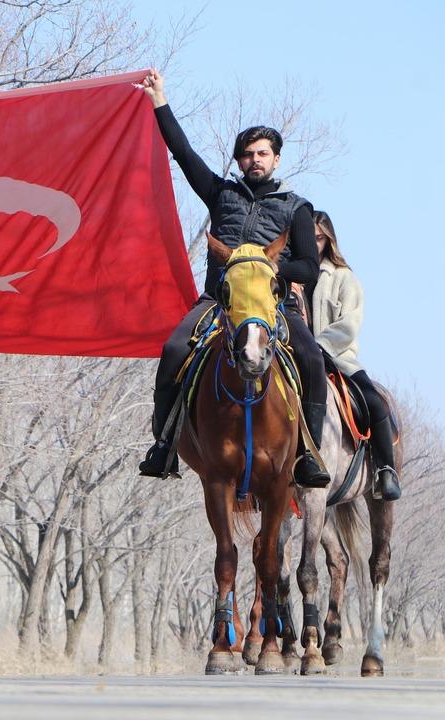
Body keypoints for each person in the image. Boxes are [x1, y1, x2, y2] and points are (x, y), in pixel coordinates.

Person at [136, 69, 330, 488]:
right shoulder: (221, 194)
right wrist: (158, 100)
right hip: (217, 302)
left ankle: (308, 454)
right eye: (247, 154)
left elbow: (310, 269)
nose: (254, 160)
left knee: (313, 360)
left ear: (276, 159)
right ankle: (163, 444)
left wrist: (273, 267)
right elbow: (184, 154)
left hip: (272, 305)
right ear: (239, 161)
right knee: (172, 349)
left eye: (262, 153)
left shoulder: (296, 208)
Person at [309, 211, 400, 500]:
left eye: (320, 238)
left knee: (375, 402)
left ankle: (385, 469)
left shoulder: (343, 277)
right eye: (308, 238)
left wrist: (320, 345)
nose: (314, 244)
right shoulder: (292, 275)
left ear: (329, 240)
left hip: (337, 358)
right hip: (297, 358)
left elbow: (350, 323)